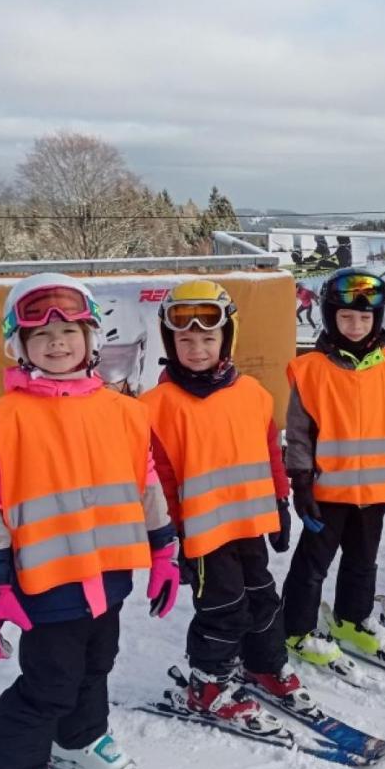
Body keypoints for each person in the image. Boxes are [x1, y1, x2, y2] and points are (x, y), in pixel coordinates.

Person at [0, 273, 180, 769]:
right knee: (49, 683)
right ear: (19, 347)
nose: (58, 344)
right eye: (43, 335)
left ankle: (78, 738)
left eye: (69, 331)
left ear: (91, 338)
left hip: (108, 574)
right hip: (46, 583)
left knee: (98, 664)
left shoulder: (124, 412)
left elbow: (145, 485)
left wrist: (163, 553)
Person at [141, 280, 306, 733]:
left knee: (263, 598)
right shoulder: (155, 406)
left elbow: (271, 449)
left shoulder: (252, 393)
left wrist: (279, 499)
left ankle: (263, 664)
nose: (197, 349)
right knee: (223, 607)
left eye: (208, 338)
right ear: (170, 342)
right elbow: (160, 478)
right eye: (186, 340)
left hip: (249, 522)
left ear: (226, 339)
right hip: (202, 533)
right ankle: (207, 684)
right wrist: (167, 534)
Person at [281, 268, 385, 670]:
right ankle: (296, 627)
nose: (356, 325)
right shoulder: (311, 370)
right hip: (327, 494)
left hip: (375, 493)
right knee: (312, 566)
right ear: (330, 318)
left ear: (376, 320)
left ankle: (352, 618)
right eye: (346, 317)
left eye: (364, 318)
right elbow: (300, 430)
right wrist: (301, 482)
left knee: (364, 561)